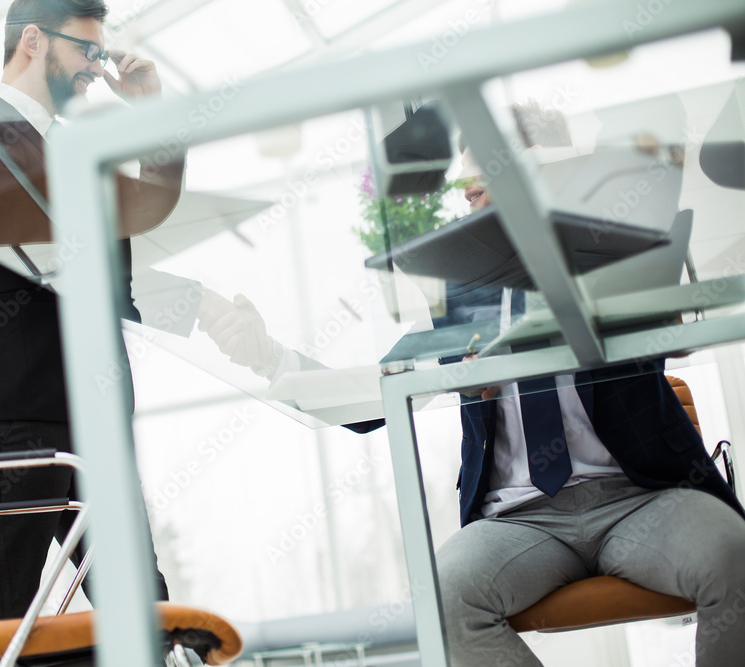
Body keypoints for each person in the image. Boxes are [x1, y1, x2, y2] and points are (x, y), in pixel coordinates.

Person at [198, 103, 745, 666]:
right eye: (465, 177)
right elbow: (369, 398)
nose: (467, 188)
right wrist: (265, 356)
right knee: (440, 598)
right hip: (522, 520)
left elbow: (673, 334)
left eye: (486, 167)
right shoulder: (460, 299)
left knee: (732, 554)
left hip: (639, 498)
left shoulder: (613, 258)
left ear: (545, 168)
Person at [0, 0, 182, 621]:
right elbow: (57, 247)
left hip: (89, 414)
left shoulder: (75, 146)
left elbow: (146, 221)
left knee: (142, 611)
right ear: (34, 41)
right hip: (12, 416)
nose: (98, 69)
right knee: (0, 617)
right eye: (86, 51)